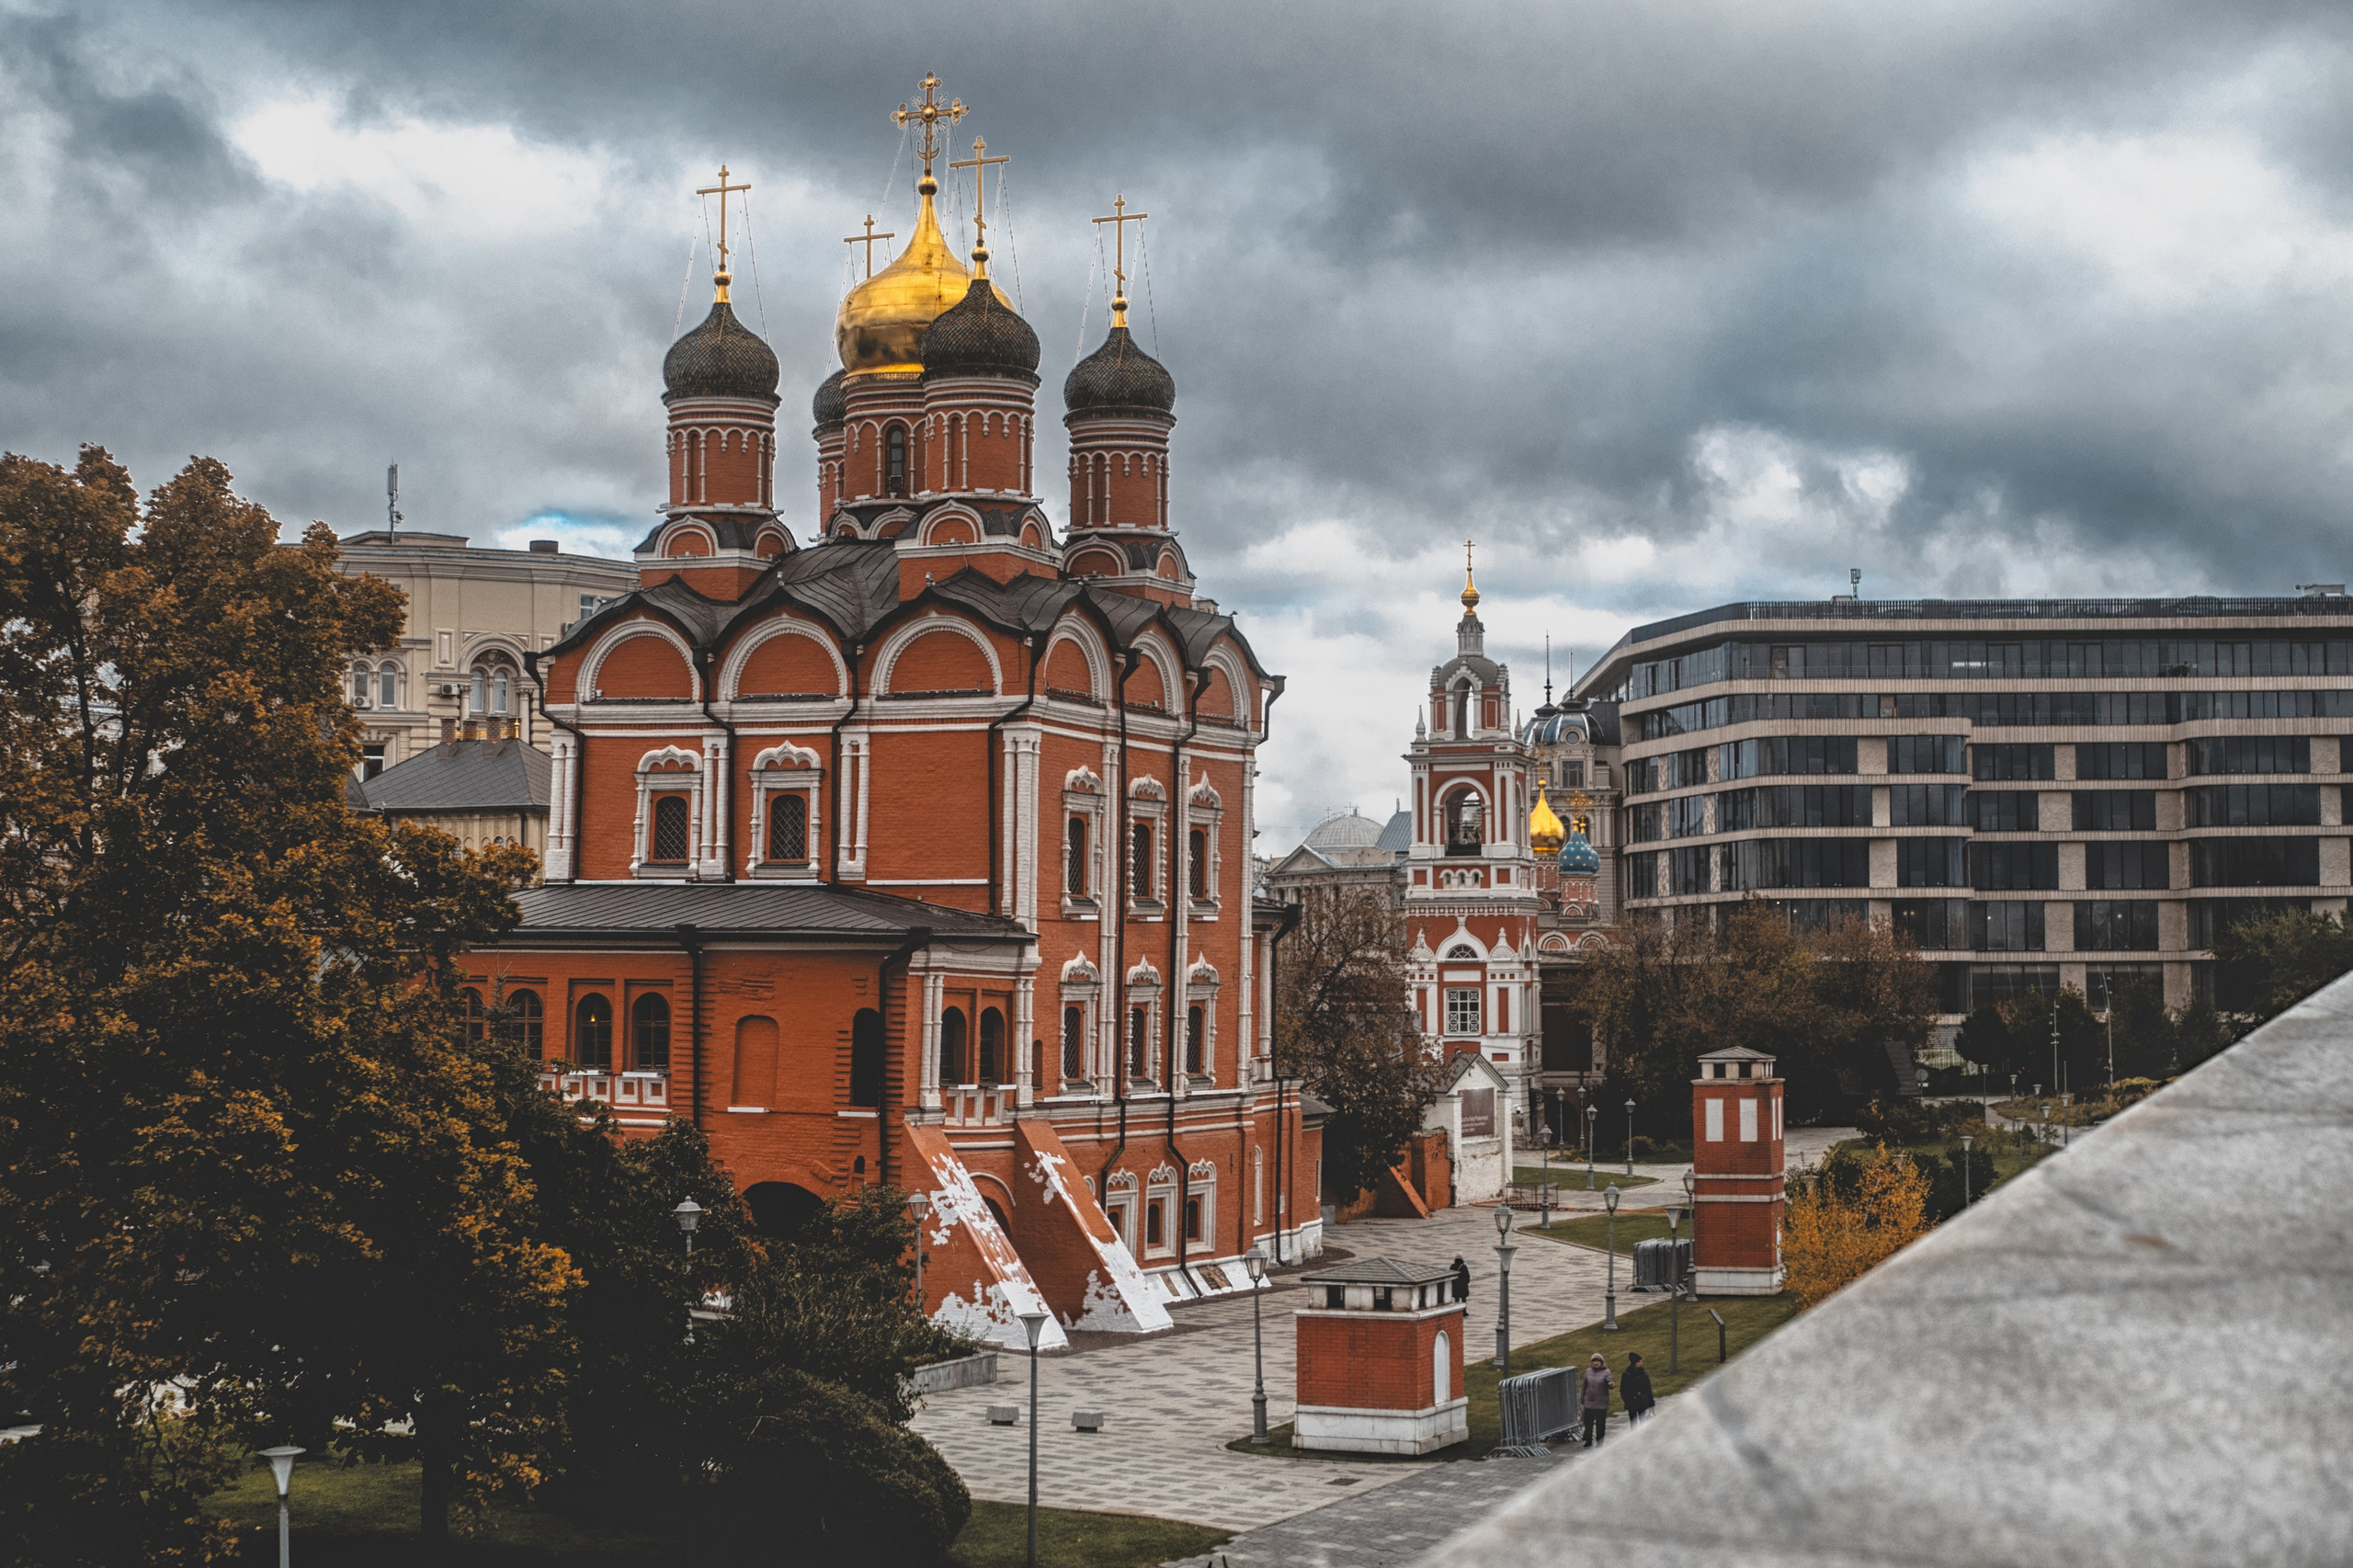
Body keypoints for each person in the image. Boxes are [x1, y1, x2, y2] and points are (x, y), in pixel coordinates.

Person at [1579, 1352, 1614, 1447]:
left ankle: (1600, 1441)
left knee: (1600, 1424)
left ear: (1601, 1362)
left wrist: (1611, 1384)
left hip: (1601, 1402)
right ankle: (1588, 1440)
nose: (1595, 1363)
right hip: (1589, 1401)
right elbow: (1584, 1386)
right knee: (1588, 1423)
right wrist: (1582, 1398)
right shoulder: (1588, 1371)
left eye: (1597, 1361)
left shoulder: (1606, 1372)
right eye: (1594, 1361)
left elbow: (1610, 1383)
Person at [1621, 1352, 1655, 1426]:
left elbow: (1648, 1388)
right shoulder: (1627, 1374)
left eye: (1641, 1361)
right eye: (1638, 1362)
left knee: (1643, 1422)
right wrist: (1627, 1401)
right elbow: (1623, 1390)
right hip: (1632, 1402)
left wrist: (1650, 1400)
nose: (1641, 1363)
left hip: (1642, 1401)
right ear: (1634, 1363)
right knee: (1633, 1423)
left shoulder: (1644, 1373)